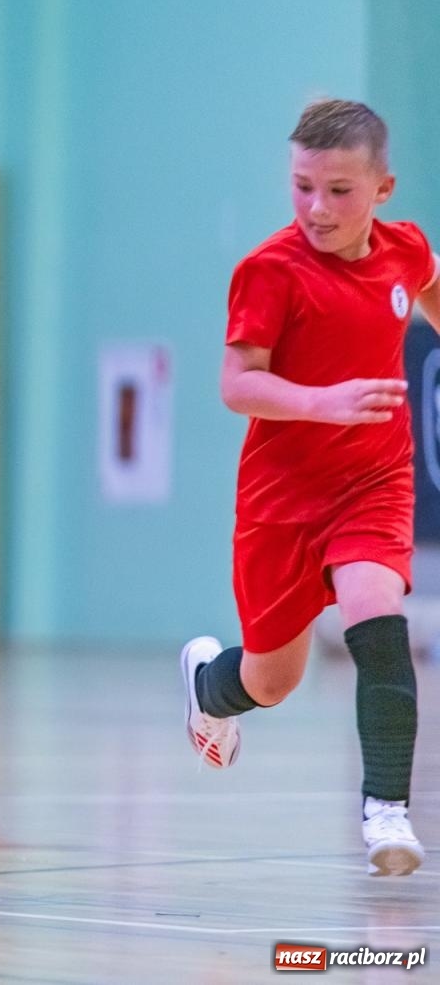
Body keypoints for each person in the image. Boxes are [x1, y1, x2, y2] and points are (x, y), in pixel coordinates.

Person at [182, 99, 432, 875]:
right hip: (282, 497)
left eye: (339, 191)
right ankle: (204, 684)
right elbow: (235, 383)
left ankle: (387, 813)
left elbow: (432, 292)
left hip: (374, 478)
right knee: (271, 678)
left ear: (382, 189)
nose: (317, 208)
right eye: (302, 187)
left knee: (376, 609)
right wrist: (319, 402)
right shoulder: (269, 270)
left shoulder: (406, 252)